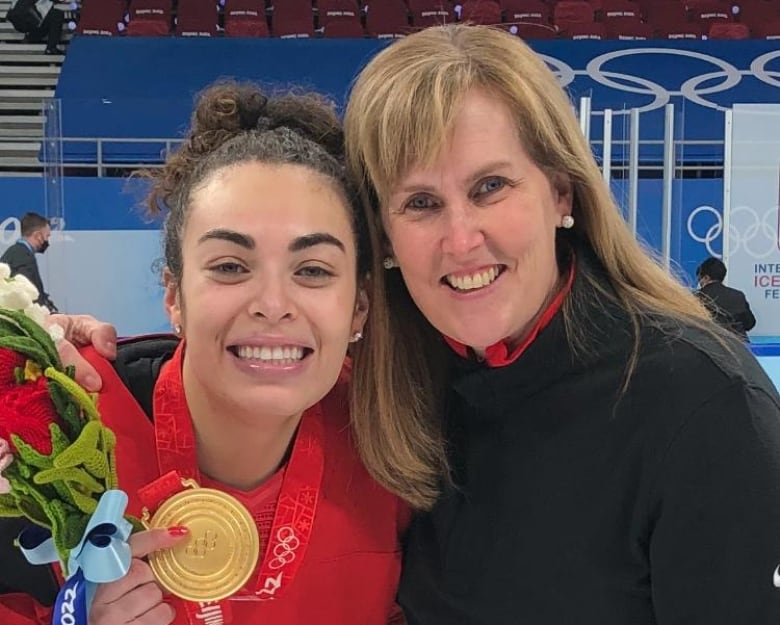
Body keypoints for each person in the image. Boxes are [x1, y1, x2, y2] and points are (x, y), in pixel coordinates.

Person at [52, 24, 780, 625]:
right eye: (421, 203)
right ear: (386, 243)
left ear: (562, 191)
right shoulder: (393, 383)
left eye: (490, 187)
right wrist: (33, 360)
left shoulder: (703, 407)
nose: (461, 239)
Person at [0, 82, 413, 625]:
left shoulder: (400, 446)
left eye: (312, 270)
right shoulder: (55, 429)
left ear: (358, 307)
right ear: (174, 296)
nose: (272, 304)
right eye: (230, 266)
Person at [0, 212, 57, 312]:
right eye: (47, 236)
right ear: (38, 236)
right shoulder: (24, 258)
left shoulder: (14, 252)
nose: (47, 240)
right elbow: (28, 297)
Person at [695, 256, 756, 340]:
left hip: (709, 347)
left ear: (706, 277)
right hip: (740, 347)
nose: (699, 283)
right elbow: (750, 323)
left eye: (699, 279)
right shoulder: (738, 296)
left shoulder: (696, 297)